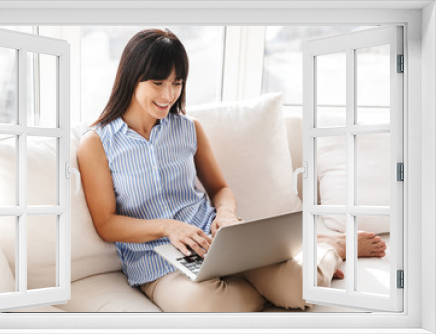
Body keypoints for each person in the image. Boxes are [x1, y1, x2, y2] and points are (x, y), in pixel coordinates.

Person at [77, 28, 387, 312]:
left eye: (177, 83)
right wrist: (168, 227)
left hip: (219, 243)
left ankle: (329, 246)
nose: (168, 95)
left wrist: (225, 215)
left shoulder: (189, 128)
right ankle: (287, 272)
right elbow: (106, 223)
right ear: (132, 78)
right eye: (158, 82)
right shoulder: (96, 143)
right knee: (206, 309)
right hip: (156, 262)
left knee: (300, 290)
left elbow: (220, 190)